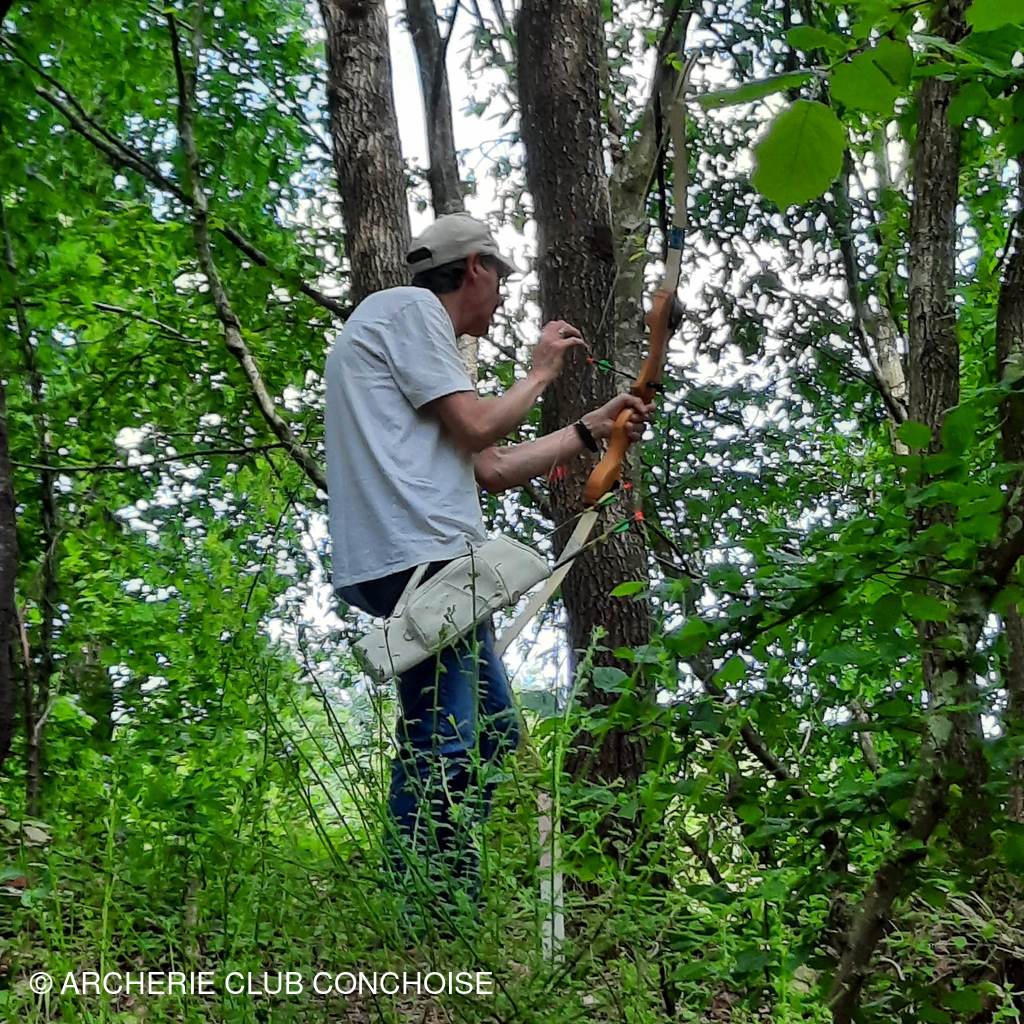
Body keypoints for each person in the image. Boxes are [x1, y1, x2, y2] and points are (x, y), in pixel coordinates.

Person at [325, 212, 651, 924]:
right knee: (445, 738)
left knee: (493, 732)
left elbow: (492, 466)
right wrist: (541, 372)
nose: (502, 295)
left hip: (420, 559)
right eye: (500, 278)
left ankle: (441, 892)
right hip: (418, 557)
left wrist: (591, 429)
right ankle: (431, 914)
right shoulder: (409, 311)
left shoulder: (411, 336)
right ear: (475, 267)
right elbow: (480, 427)